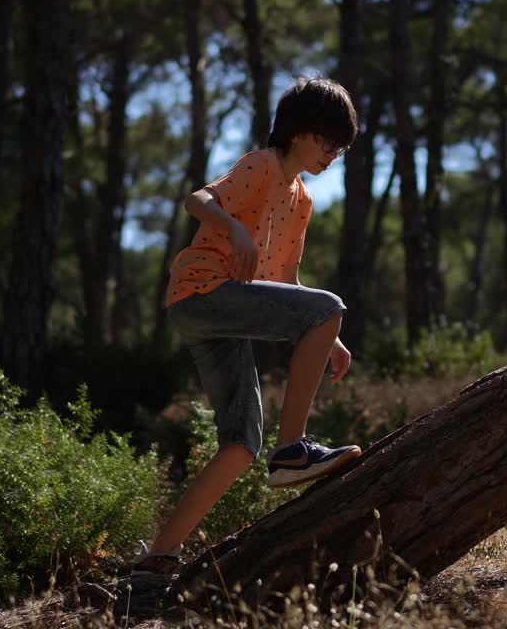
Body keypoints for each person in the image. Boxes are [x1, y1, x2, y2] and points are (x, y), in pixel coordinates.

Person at [130, 77, 362, 578]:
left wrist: (332, 337)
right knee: (328, 306)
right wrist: (232, 226)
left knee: (239, 445)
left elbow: (286, 279)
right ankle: (293, 450)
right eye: (327, 142)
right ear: (299, 132)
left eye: (339, 150)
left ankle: (157, 557)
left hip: (218, 313)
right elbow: (197, 199)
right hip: (203, 291)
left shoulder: (302, 201)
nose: (332, 155)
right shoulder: (262, 165)